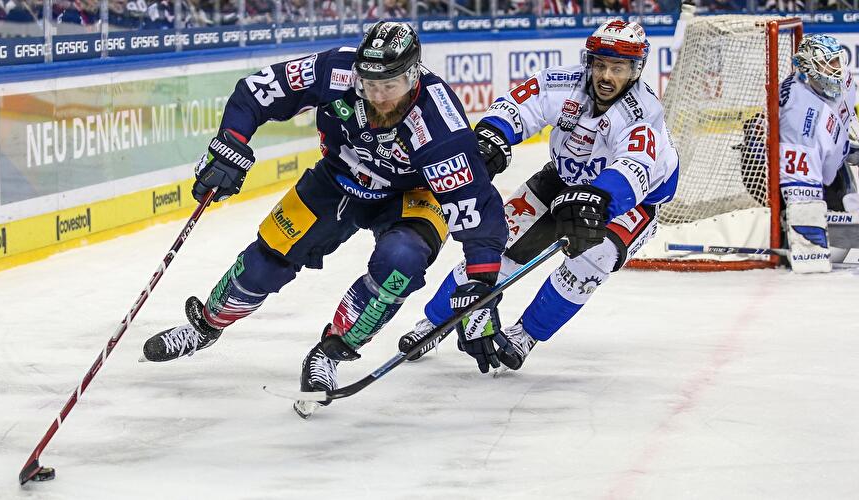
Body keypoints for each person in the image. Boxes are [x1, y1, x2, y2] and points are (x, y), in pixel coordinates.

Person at [141, 21, 508, 416]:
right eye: (370, 85)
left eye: (391, 85)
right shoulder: (335, 70)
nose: (380, 97)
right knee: (265, 262)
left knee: (401, 262)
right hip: (338, 178)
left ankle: (330, 354)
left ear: (413, 75)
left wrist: (481, 282)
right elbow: (255, 92)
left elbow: (475, 204)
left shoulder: (439, 124)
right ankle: (206, 325)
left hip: (413, 195)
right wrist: (230, 142)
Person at [399, 20, 680, 372]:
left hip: (629, 200)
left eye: (618, 68)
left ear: (635, 70)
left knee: (592, 261)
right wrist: (492, 135)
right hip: (562, 178)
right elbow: (520, 104)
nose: (606, 76)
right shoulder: (565, 82)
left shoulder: (643, 113)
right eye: (600, 65)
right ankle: (435, 322)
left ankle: (525, 334)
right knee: (498, 244)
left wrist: (600, 199)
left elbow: (635, 165)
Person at [776, 34, 858, 273]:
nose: (837, 69)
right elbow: (802, 195)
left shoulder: (840, 79)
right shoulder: (801, 121)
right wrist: (811, 248)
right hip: (786, 173)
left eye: (837, 61)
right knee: (837, 247)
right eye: (827, 64)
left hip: (823, 160)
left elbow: (845, 116)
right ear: (807, 68)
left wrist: (849, 148)